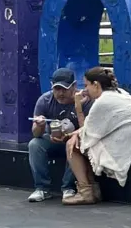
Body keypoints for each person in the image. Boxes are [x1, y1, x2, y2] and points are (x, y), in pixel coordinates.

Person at [62, 66, 131, 205]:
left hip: (123, 151)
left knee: (72, 145)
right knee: (78, 140)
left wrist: (78, 109)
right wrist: (77, 133)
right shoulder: (121, 93)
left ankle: (86, 192)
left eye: (86, 85)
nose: (85, 90)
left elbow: (87, 134)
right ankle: (93, 190)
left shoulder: (103, 102)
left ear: (96, 84)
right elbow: (89, 129)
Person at [27, 67, 92, 202]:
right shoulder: (44, 100)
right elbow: (35, 134)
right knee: (35, 144)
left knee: (75, 143)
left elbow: (88, 130)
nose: (61, 93)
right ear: (52, 87)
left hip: (75, 141)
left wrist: (71, 135)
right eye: (57, 89)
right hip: (53, 140)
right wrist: (40, 126)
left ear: (74, 86)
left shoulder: (85, 101)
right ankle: (42, 188)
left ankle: (68, 187)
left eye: (65, 89)